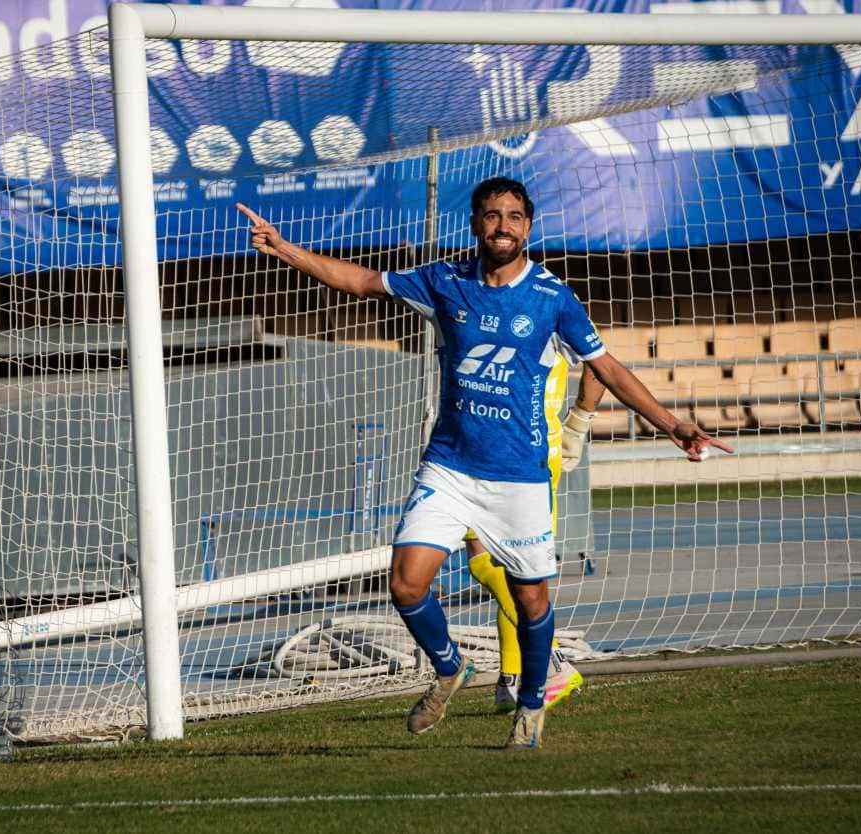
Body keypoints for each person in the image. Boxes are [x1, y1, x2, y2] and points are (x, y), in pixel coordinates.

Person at [236, 177, 731, 749]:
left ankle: (529, 704)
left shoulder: (551, 298)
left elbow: (609, 368)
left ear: (529, 225)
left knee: (531, 599)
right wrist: (284, 248)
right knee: (405, 584)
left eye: (515, 216)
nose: (503, 225)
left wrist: (671, 425)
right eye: (492, 215)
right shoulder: (444, 281)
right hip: (449, 467)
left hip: (519, 475)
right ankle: (449, 668)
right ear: (475, 223)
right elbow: (363, 282)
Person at [465, 358, 604, 713]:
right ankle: (511, 680)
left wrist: (578, 424)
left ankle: (551, 658)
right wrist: (578, 424)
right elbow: (598, 363)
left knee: (485, 562)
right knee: (508, 568)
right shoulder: (553, 302)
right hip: (527, 448)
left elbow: (599, 363)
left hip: (504, 448)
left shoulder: (518, 305)